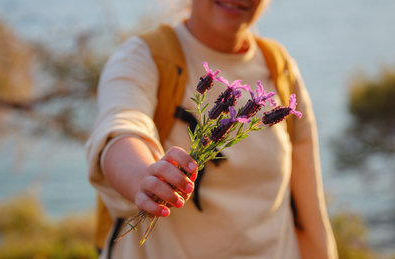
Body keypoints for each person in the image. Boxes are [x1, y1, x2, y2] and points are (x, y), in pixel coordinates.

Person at [86, 0, 338, 258]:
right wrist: (143, 178)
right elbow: (122, 126)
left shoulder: (280, 67)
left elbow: (311, 211)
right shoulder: (142, 56)